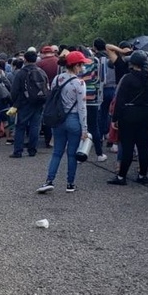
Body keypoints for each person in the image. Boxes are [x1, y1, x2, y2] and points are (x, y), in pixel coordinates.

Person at [36, 51, 90, 193]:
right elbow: (82, 108)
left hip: (58, 119)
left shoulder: (57, 79)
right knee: (72, 154)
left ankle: (49, 180)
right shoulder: (80, 83)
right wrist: (84, 130)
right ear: (77, 65)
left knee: (57, 152)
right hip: (73, 120)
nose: (83, 67)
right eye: (82, 64)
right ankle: (70, 184)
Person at [107, 50, 148, 185]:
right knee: (143, 145)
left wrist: (114, 118)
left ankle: (122, 176)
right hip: (147, 114)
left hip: (129, 113)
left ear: (133, 64)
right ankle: (142, 175)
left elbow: (120, 100)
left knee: (127, 146)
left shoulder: (128, 78)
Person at [10, 50, 48, 158]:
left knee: (20, 126)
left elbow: (14, 90)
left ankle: (18, 151)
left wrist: (15, 103)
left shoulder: (21, 73)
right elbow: (46, 87)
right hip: (39, 102)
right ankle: (32, 150)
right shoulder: (41, 72)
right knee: (35, 126)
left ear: (25, 60)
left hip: (24, 103)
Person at [79, 47, 108, 162]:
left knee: (80, 127)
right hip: (92, 98)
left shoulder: (77, 65)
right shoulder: (95, 63)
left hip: (79, 98)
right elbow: (101, 80)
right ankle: (99, 154)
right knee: (93, 126)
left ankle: (79, 154)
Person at [37, 46, 60, 148]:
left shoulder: (40, 64)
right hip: (58, 91)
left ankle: (48, 138)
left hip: (45, 92)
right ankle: (57, 138)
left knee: (46, 115)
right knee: (57, 114)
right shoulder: (58, 62)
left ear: (43, 53)